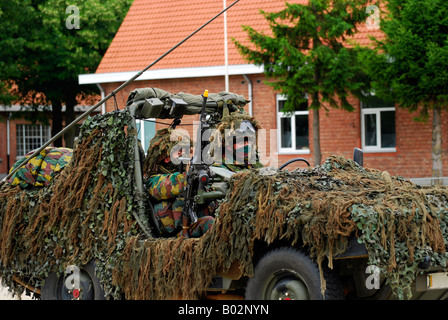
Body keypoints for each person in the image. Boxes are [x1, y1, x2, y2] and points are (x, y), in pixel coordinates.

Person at [143, 128, 215, 238]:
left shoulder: (188, 175)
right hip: (174, 237)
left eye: (186, 150)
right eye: (179, 151)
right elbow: (169, 184)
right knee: (209, 223)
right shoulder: (153, 181)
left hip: (192, 227)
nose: (184, 154)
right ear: (165, 156)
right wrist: (189, 176)